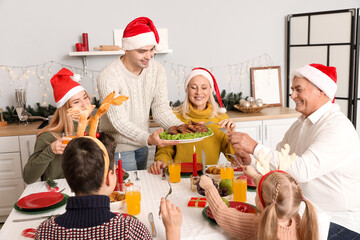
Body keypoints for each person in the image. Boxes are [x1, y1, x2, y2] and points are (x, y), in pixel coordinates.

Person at [228, 63, 360, 239]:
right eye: (292, 89)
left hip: (337, 221)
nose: (292, 95)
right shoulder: (301, 122)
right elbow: (280, 160)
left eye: (299, 89)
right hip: (306, 213)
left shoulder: (337, 128)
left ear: (321, 91)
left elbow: (301, 171)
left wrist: (254, 147)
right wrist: (251, 160)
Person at [35, 133, 183, 240]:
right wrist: (173, 230)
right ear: (109, 178)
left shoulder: (45, 232)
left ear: (67, 178)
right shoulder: (129, 230)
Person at [97, 16, 183, 171]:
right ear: (127, 49)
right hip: (118, 148)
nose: (148, 56)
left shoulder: (157, 70)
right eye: (142, 51)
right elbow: (118, 121)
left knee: (142, 189)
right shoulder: (108, 75)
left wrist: (183, 128)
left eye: (151, 50)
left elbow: (161, 109)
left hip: (143, 145)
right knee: (126, 191)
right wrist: (148, 138)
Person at [148, 67, 235, 174]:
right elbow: (165, 150)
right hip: (179, 174)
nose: (199, 92)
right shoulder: (173, 117)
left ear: (210, 90)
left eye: (204, 88)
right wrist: (161, 161)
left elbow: (233, 157)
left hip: (209, 175)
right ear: (187, 89)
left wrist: (232, 136)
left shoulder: (221, 118)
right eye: (193, 87)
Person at [199, 164, 318, 240]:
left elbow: (222, 213)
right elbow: (275, 189)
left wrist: (209, 187)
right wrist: (254, 175)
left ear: (261, 204)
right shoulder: (296, 218)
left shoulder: (257, 225)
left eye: (256, 192)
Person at [23, 68, 93, 184]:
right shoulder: (48, 136)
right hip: (60, 195)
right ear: (66, 108)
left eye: (85, 97)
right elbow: (28, 177)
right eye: (76, 102)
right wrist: (50, 150)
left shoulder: (92, 128)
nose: (85, 104)